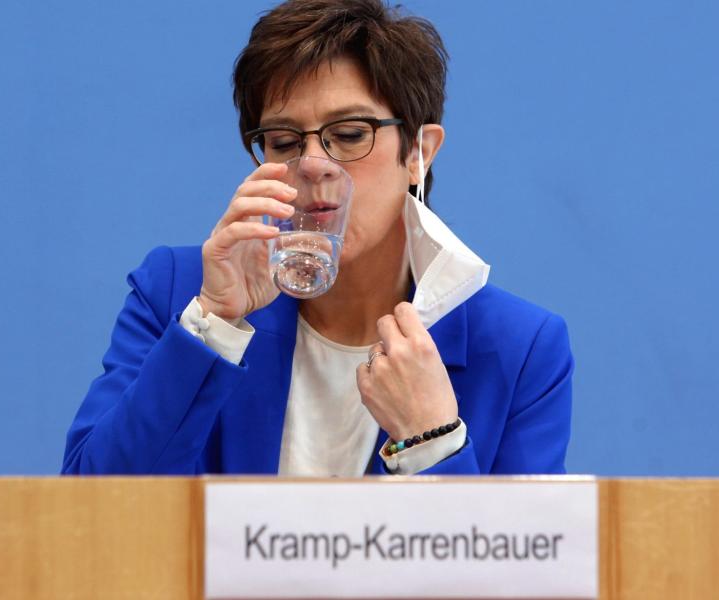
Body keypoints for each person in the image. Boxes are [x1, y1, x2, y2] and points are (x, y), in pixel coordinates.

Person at [62, 0, 573, 477]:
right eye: (283, 142)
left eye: (349, 134)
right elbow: (90, 511)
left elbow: (518, 570)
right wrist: (215, 323)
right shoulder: (180, 293)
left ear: (419, 152)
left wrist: (430, 440)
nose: (312, 166)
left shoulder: (519, 346)